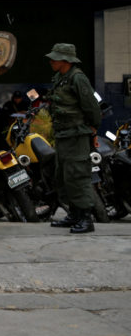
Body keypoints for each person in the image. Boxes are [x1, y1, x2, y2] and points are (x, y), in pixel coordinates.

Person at [45, 43, 102, 234]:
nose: (51, 61)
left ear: (66, 60)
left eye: (55, 58)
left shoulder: (78, 78)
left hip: (76, 136)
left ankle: (86, 219)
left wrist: (92, 129)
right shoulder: (60, 78)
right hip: (63, 136)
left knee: (78, 176)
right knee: (63, 177)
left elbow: (92, 107)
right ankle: (74, 215)